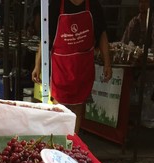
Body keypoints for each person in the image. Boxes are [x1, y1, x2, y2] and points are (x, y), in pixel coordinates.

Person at [32, 0, 112, 134]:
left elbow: (102, 34)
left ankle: (72, 141)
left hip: (83, 67)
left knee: (77, 109)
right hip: (61, 67)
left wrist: (107, 63)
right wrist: (37, 65)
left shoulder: (93, 5)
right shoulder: (56, 5)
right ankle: (57, 140)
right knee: (59, 108)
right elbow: (46, 37)